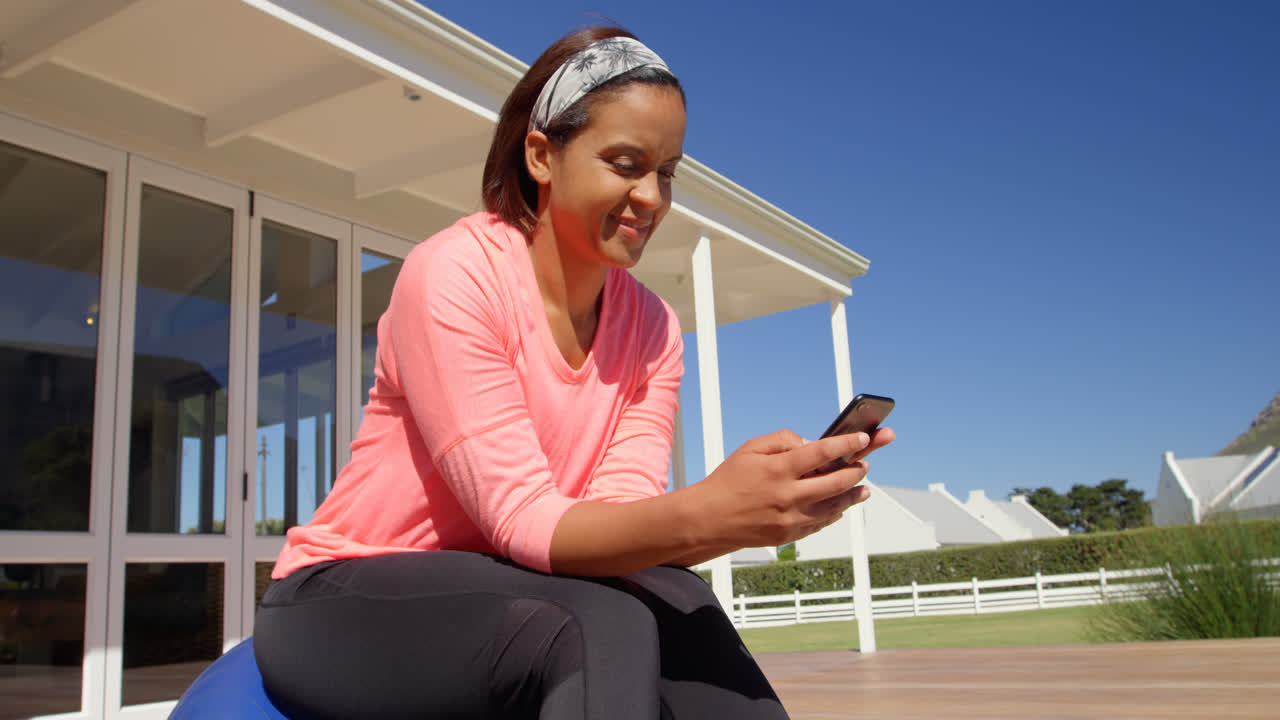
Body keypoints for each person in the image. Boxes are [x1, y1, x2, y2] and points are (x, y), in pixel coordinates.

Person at [253, 26, 894, 720]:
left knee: (683, 601)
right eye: (625, 163)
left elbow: (617, 518)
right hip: (341, 599)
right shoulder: (455, 274)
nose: (652, 196)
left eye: (668, 172)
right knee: (594, 625)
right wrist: (721, 511)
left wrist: (750, 513)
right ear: (542, 156)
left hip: (508, 590)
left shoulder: (652, 330)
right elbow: (521, 519)